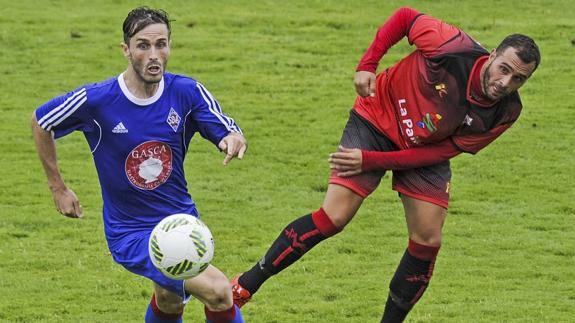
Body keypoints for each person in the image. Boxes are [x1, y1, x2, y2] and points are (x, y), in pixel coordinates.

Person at [231, 6, 540, 322]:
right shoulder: (452, 46)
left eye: (518, 78)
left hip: (423, 151)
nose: (506, 82)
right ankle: (243, 286)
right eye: (504, 69)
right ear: (492, 55)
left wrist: (370, 161)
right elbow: (405, 17)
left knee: (427, 241)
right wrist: (367, 65)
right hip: (375, 120)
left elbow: (439, 154)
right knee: (334, 217)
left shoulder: (506, 113)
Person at [31, 7, 247, 323]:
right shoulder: (98, 100)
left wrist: (231, 138)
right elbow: (41, 121)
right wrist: (58, 188)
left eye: (161, 44)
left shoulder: (185, 91)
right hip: (131, 232)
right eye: (143, 45)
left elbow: (224, 125)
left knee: (170, 299)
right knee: (218, 291)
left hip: (181, 221)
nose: (154, 54)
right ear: (126, 49)